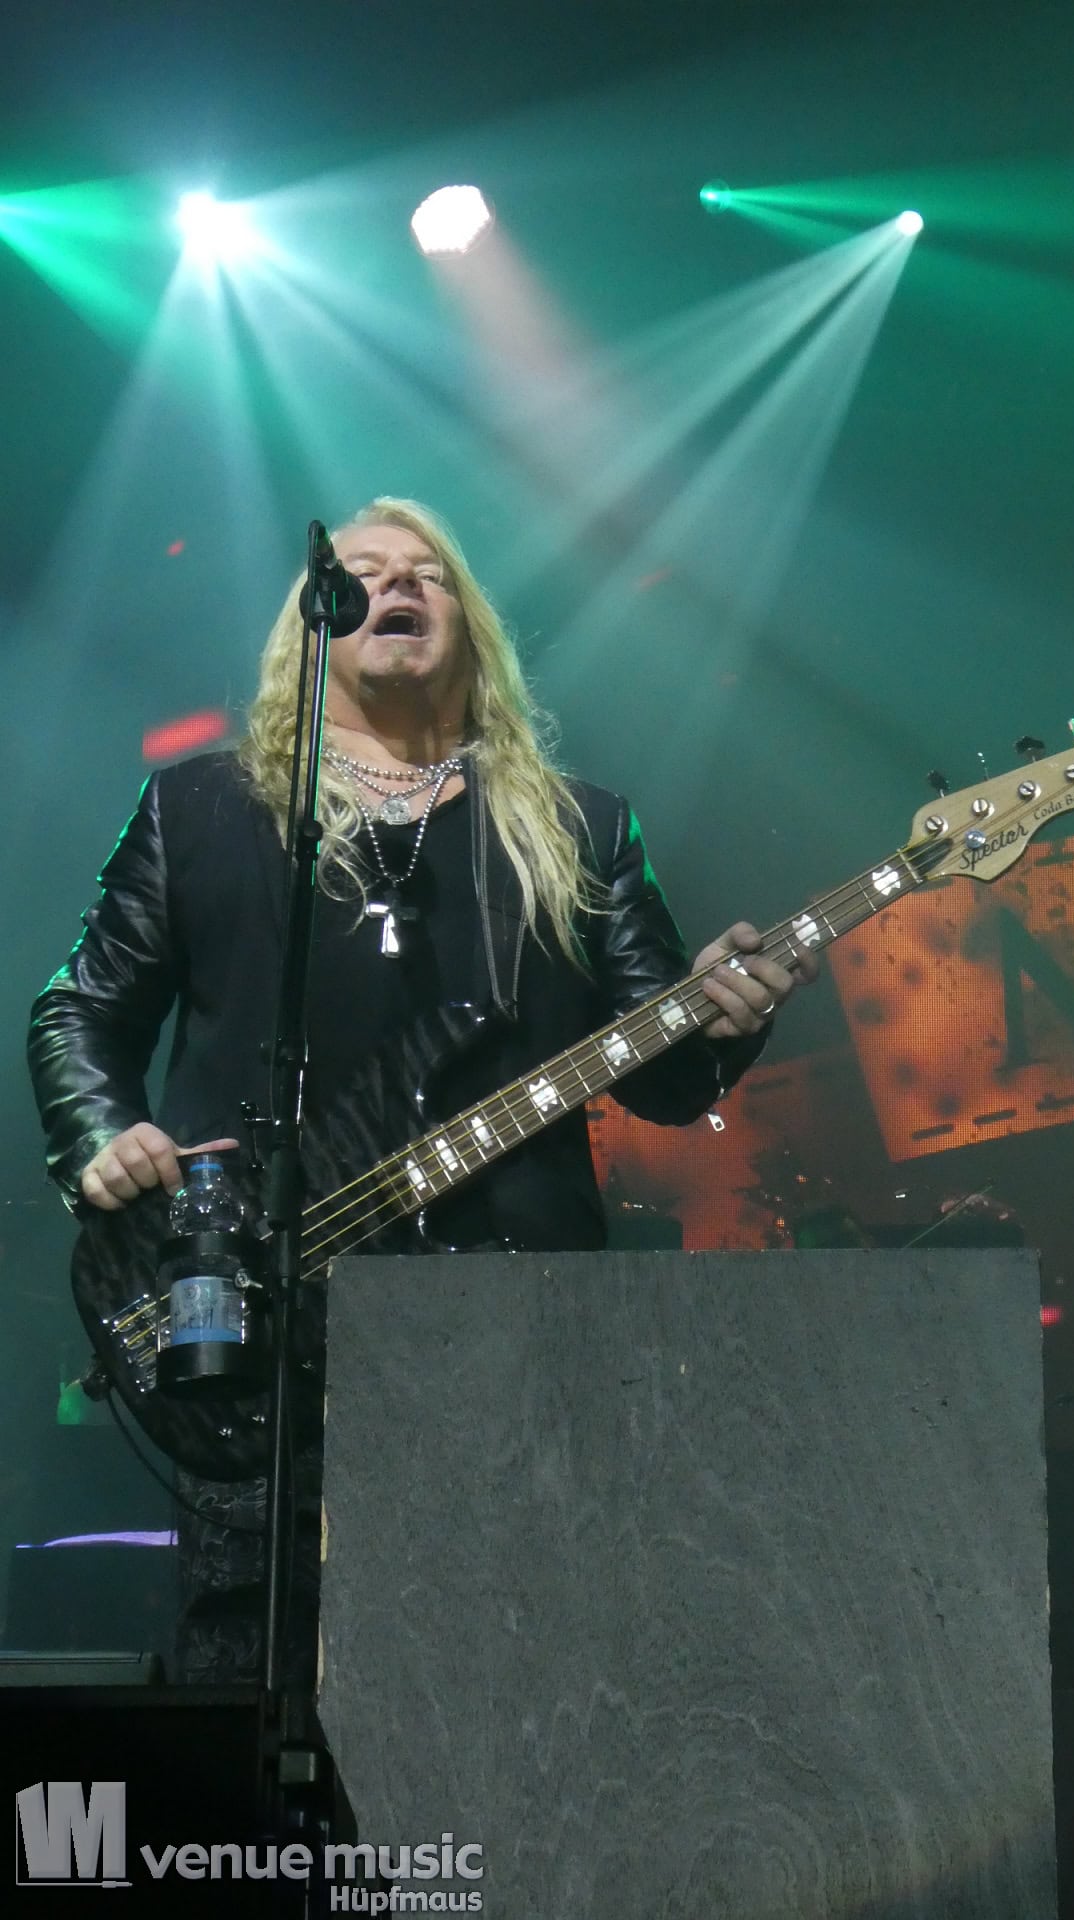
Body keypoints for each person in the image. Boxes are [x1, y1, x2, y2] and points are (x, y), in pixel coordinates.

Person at [27, 496, 816, 1681]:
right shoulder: (201, 810)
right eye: (363, 572)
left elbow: (666, 1081)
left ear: (469, 625)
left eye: (427, 573)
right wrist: (101, 1132)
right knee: (253, 1660)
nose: (396, 583)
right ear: (312, 626)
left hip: (513, 1320)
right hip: (255, 1306)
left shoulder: (579, 829)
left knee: (513, 1674)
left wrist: (726, 1020)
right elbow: (80, 1009)